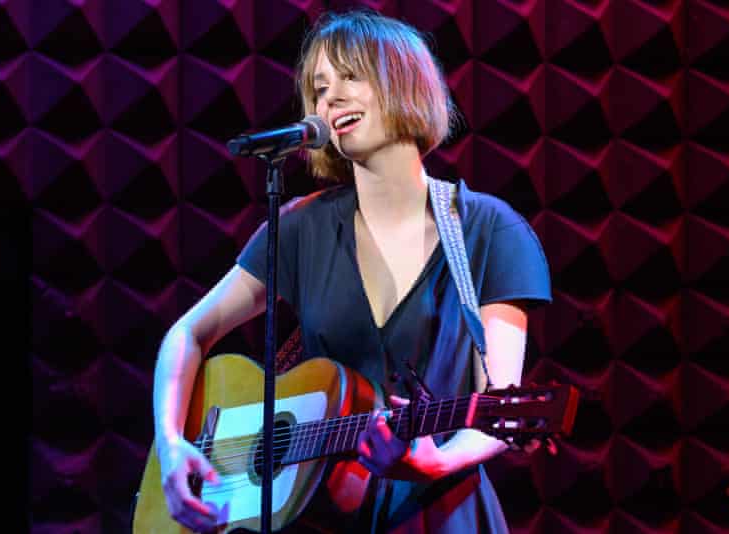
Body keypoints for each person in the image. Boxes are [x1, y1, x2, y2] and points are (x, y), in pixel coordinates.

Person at [152, 9, 551, 533]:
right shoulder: (299, 227)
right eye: (318, 89)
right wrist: (172, 446)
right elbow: (187, 333)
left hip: (444, 514)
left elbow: (499, 411)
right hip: (318, 516)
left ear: (404, 84)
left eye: (350, 77)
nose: (329, 99)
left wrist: (430, 463)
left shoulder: (489, 230)